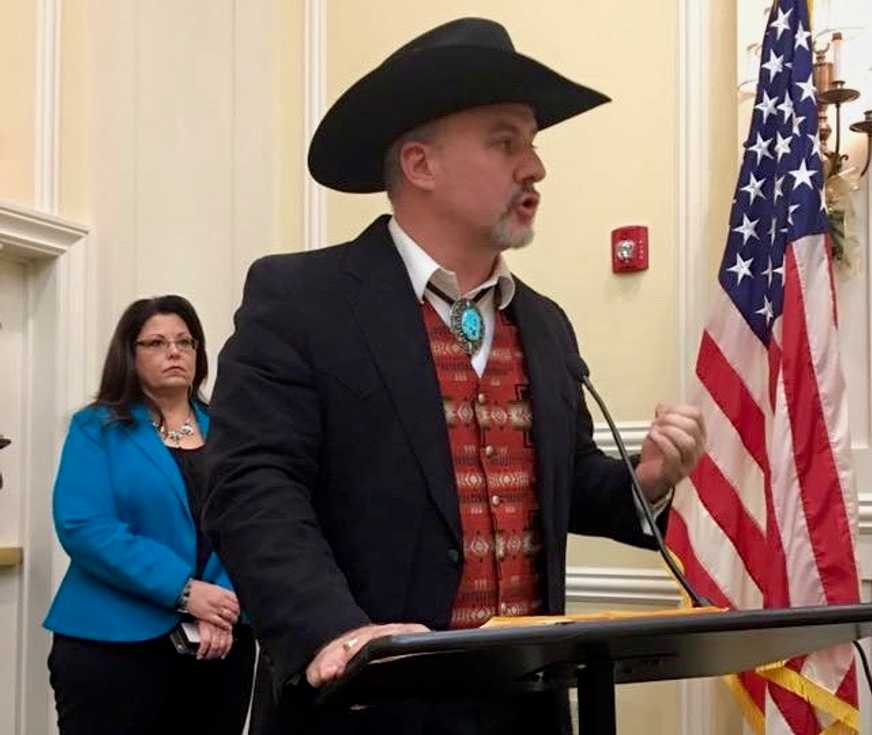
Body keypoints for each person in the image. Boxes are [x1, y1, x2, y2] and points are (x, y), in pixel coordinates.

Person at [203, 17, 705, 735]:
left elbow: (564, 482)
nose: (534, 168)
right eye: (506, 142)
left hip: (526, 714)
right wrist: (333, 630)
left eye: (533, 143)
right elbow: (253, 486)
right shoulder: (302, 301)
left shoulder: (545, 324)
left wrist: (646, 480)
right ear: (421, 165)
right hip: (365, 710)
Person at [44, 295, 255, 735]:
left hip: (218, 643)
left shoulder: (234, 430)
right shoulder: (96, 428)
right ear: (130, 354)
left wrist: (221, 605)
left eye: (185, 341)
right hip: (112, 644)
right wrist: (183, 591)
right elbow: (85, 526)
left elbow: (254, 522)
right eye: (156, 343)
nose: (174, 352)